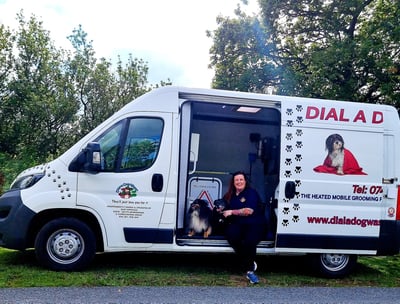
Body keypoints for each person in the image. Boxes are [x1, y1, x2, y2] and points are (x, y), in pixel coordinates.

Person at [222, 171, 265, 284]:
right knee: (232, 236)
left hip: (254, 223)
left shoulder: (251, 193)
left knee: (249, 241)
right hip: (238, 224)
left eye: (241, 179)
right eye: (237, 180)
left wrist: (231, 211)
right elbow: (224, 207)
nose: (239, 182)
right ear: (233, 182)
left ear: (245, 181)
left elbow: (248, 211)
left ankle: (250, 271)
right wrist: (220, 209)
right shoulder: (229, 195)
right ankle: (248, 263)